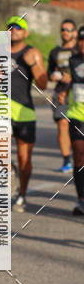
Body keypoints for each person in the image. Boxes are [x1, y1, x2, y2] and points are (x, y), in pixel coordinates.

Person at [6, 15, 48, 211]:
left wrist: (33, 64)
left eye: (18, 27)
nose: (14, 30)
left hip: (24, 112)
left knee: (25, 159)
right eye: (10, 26)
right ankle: (10, 171)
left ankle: (21, 195)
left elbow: (43, 84)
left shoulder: (32, 52)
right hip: (1, 110)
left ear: (26, 32)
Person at [57, 25, 84, 216]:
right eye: (81, 40)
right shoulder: (73, 60)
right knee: (79, 156)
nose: (83, 44)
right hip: (77, 113)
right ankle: (81, 199)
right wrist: (64, 91)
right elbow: (72, 80)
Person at [47, 18, 77, 172]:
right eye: (63, 29)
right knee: (62, 125)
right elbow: (49, 74)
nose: (65, 32)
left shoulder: (80, 50)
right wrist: (55, 76)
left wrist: (73, 79)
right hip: (60, 94)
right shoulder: (55, 52)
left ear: (75, 33)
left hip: (78, 94)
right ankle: (67, 160)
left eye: (69, 30)